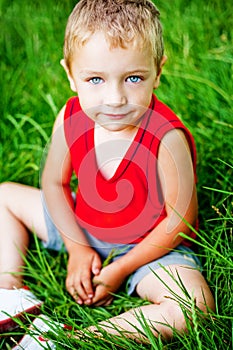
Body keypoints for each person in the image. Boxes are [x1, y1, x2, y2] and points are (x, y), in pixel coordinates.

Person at [0, 0, 214, 342]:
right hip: (83, 224)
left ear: (158, 71)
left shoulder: (166, 137)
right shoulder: (70, 117)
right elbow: (54, 184)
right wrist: (77, 248)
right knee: (4, 196)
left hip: (149, 246)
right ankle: (9, 294)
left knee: (193, 307)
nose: (114, 98)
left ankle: (68, 339)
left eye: (133, 78)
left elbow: (179, 222)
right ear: (71, 75)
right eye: (95, 79)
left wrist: (119, 270)